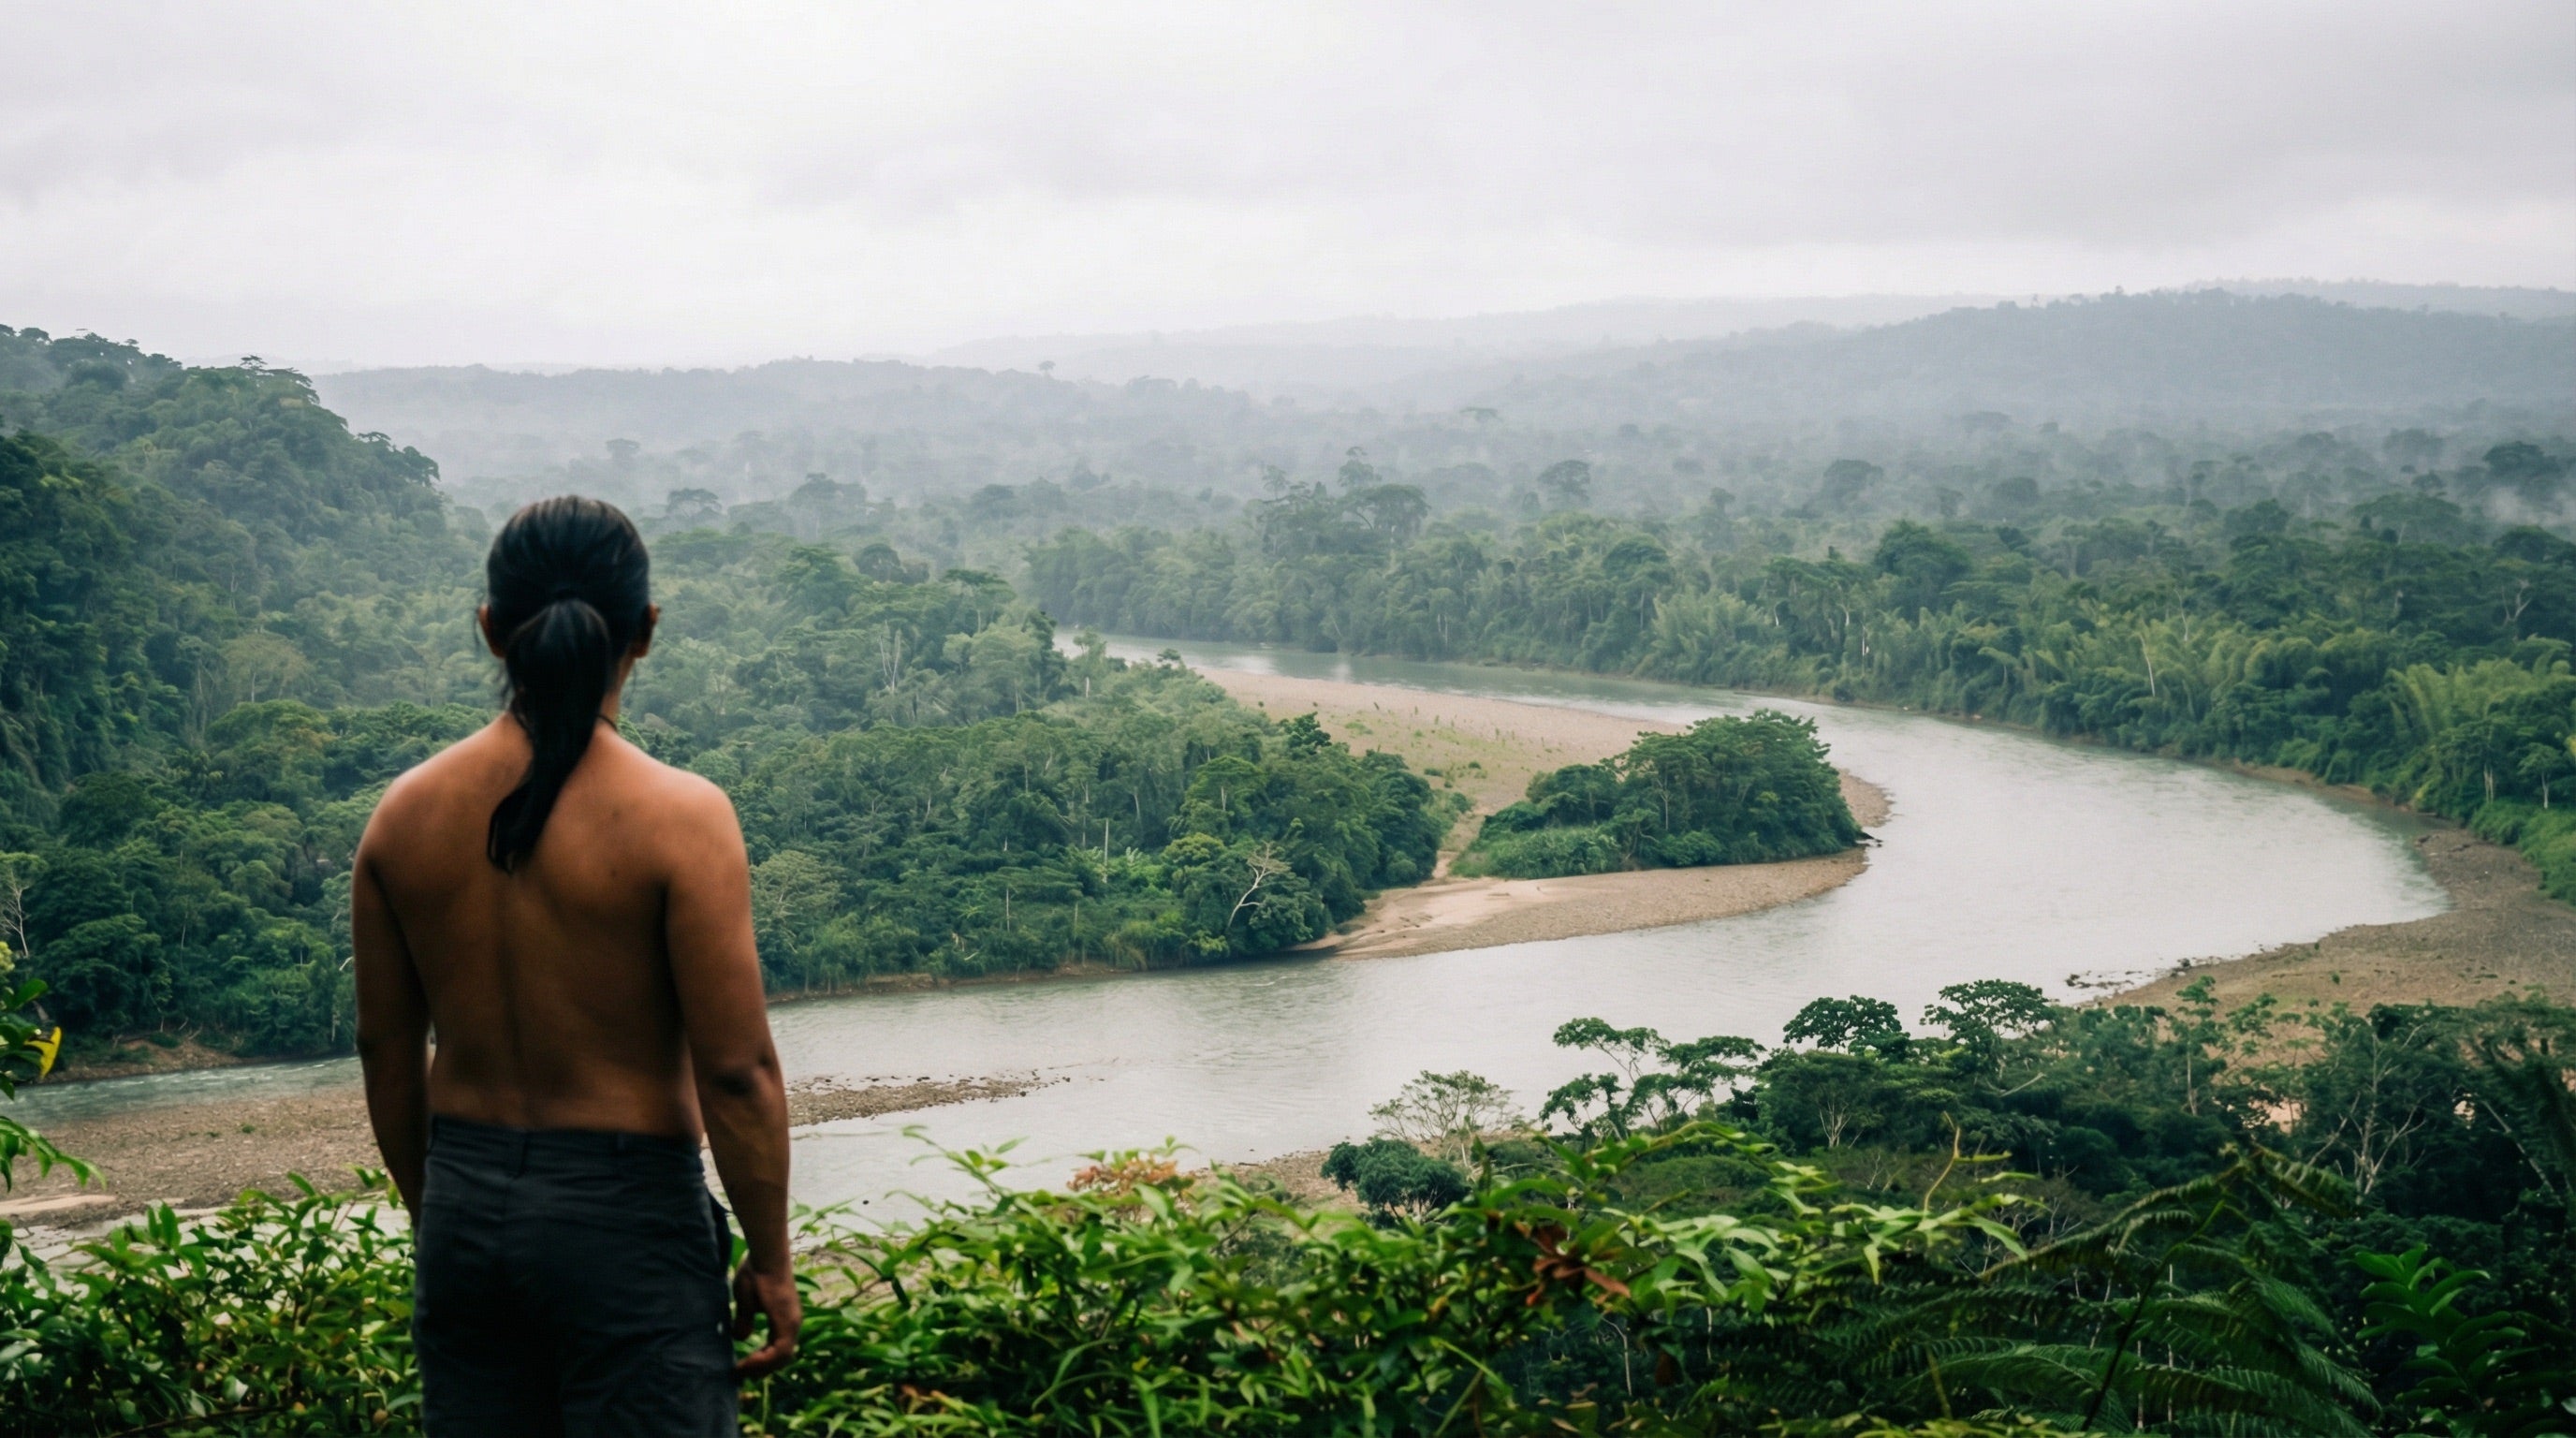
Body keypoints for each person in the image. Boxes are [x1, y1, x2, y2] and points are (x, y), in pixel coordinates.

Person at [355, 496, 798, 1435]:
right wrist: (771, 1256)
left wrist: (440, 1221)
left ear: (490, 632)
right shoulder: (681, 818)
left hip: (467, 1208)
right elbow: (736, 1071)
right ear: (645, 632)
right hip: (626, 1219)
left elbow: (387, 1054)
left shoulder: (404, 815)